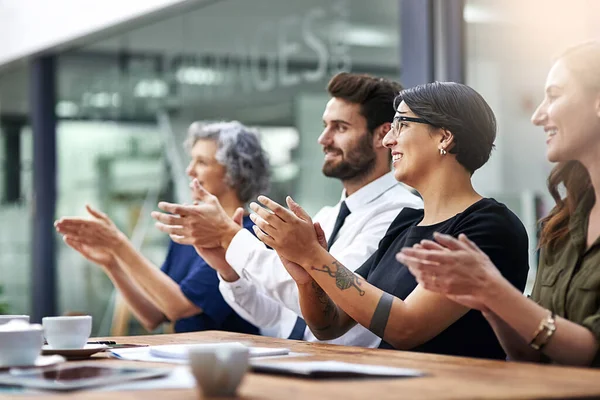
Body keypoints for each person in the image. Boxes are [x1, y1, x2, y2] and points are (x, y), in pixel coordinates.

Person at [247, 82, 530, 360]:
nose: (387, 140)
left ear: (445, 137)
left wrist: (313, 254)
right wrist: (307, 276)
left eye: (402, 125)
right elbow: (328, 325)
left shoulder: (489, 226)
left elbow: (407, 327)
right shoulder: (404, 225)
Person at [151, 72, 422, 346]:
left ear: (382, 135)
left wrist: (229, 237)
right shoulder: (327, 216)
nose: (323, 139)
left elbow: (326, 298)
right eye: (325, 125)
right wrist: (228, 269)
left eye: (340, 128)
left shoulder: (401, 214)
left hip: (350, 372)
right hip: (301, 362)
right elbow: (276, 315)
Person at [397, 42, 600, 367]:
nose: (537, 115)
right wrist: (487, 300)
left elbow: (591, 354)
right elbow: (530, 355)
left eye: (555, 94)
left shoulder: (490, 222)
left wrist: (494, 291)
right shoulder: (561, 225)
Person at [54, 121, 270, 334]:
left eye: (202, 162)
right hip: (183, 358)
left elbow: (181, 308)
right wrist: (112, 263)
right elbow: (154, 315)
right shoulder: (189, 233)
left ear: (235, 173)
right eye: (192, 160)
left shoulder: (247, 235)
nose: (190, 170)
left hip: (228, 362)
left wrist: (118, 245)